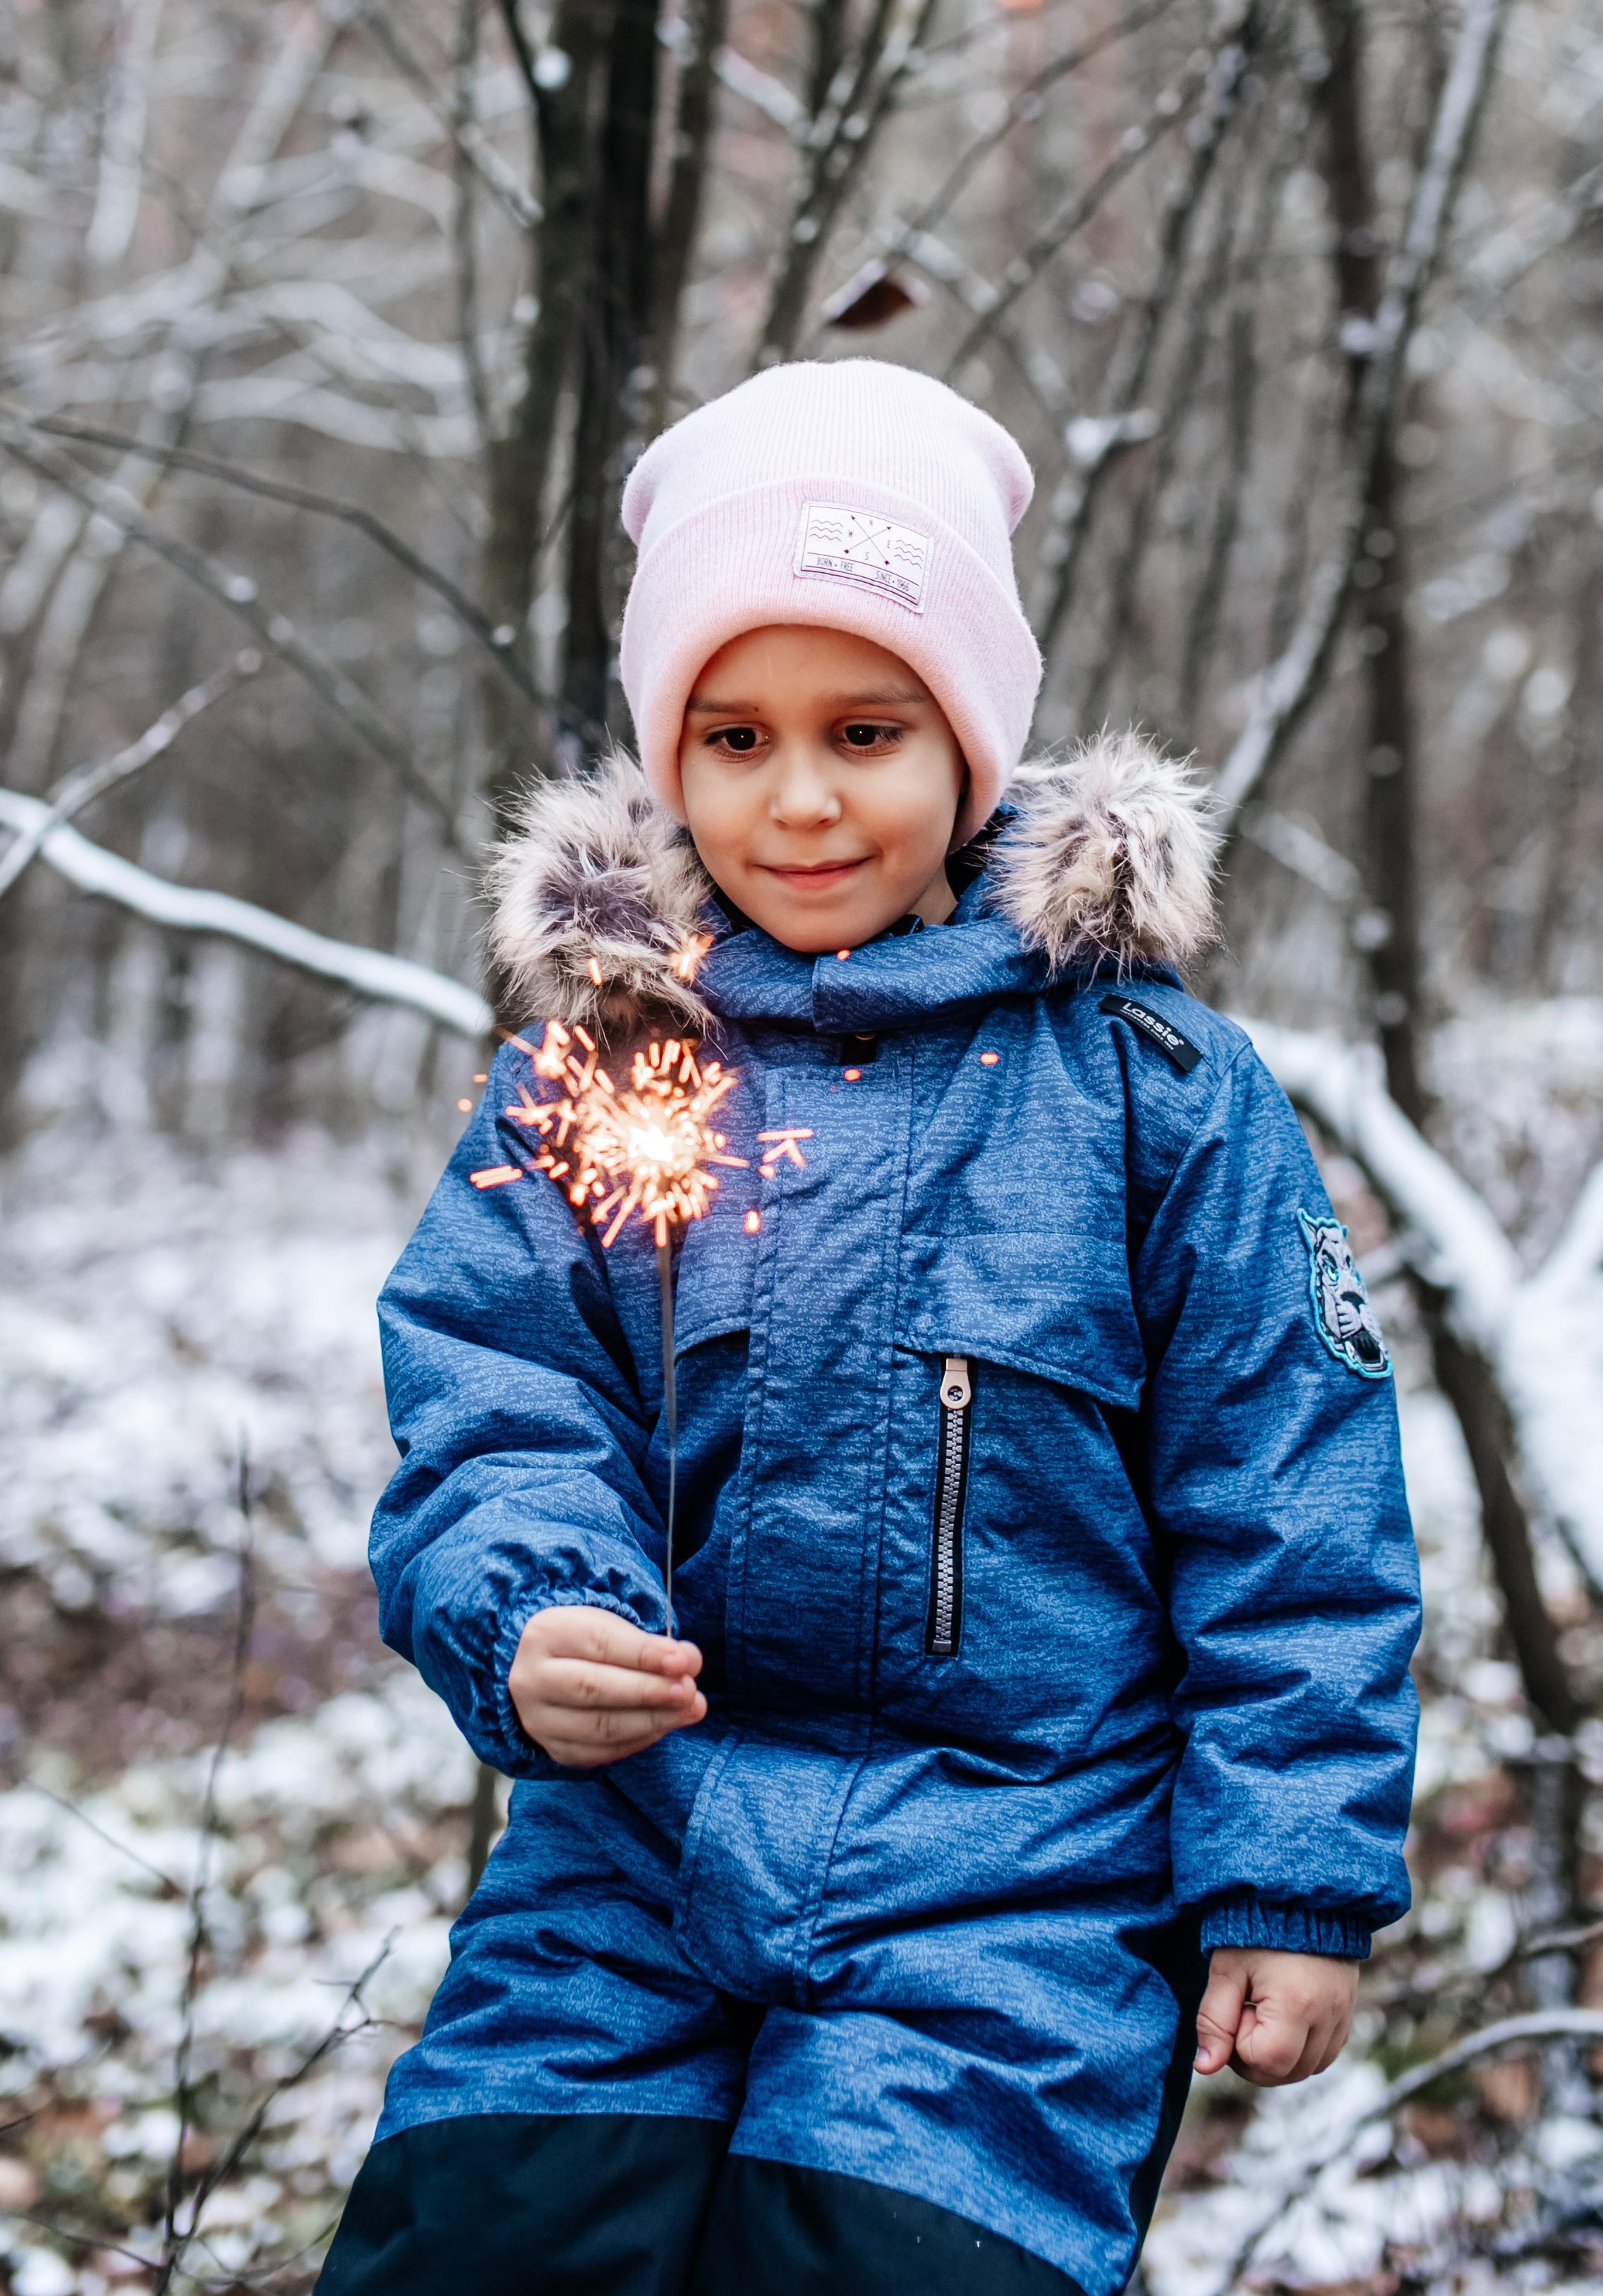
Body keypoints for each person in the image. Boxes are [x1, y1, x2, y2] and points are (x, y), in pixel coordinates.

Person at [318, 360, 1420, 2296]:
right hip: (630, 1867)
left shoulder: (1157, 1093)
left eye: (868, 729)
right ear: (670, 757)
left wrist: (1291, 1878)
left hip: (1019, 1894)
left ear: (972, 744)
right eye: (734, 736)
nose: (802, 796)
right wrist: (530, 1615)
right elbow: (496, 1405)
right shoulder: (598, 1078)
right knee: (485, 2244)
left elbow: (1292, 1501)